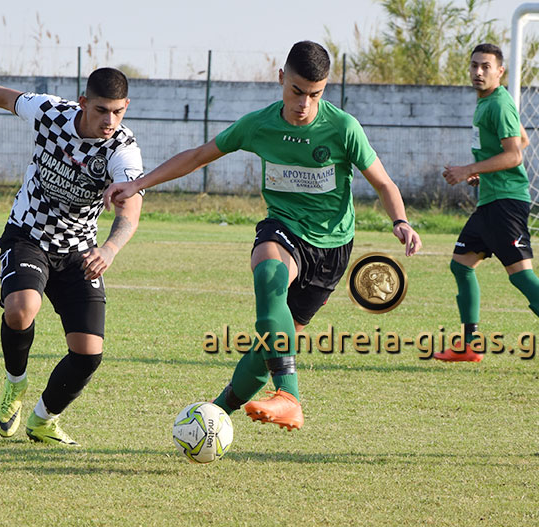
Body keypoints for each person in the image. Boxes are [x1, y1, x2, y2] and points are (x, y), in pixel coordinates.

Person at [104, 41, 421, 431]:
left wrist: (400, 221)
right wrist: (139, 184)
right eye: (297, 91)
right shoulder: (258, 125)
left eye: (315, 94)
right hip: (284, 227)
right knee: (269, 277)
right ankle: (289, 397)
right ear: (281, 78)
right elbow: (198, 155)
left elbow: (384, 182)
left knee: (268, 348)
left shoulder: (342, 128)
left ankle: (216, 413)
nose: (304, 103)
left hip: (332, 248)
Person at [0, 68, 145, 446]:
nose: (109, 120)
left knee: (88, 353)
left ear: (126, 107)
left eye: (118, 111)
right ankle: (15, 384)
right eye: (101, 110)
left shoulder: (122, 149)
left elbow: (130, 208)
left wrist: (110, 248)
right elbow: (5, 97)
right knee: (20, 309)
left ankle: (43, 420)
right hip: (28, 234)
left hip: (80, 250)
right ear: (83, 103)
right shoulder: (51, 113)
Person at [432, 43, 539, 376]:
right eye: (474, 65)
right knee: (461, 265)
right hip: (490, 200)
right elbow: (523, 140)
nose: (478, 72)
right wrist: (480, 173)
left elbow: (516, 155)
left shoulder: (498, 103)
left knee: (520, 276)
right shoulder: (486, 103)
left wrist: (467, 169)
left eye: (486, 66)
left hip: (507, 203)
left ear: (500, 71)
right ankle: (470, 345)